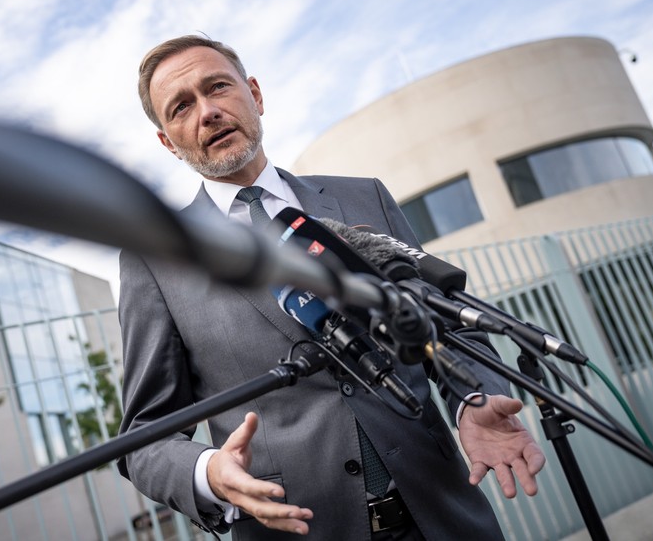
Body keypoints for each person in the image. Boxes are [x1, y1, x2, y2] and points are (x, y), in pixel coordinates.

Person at [117, 35, 546, 540]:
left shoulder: (363, 199)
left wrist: (471, 398)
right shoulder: (156, 262)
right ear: (168, 141)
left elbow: (449, 331)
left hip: (444, 516)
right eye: (182, 106)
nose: (208, 112)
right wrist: (208, 471)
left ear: (254, 95)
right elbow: (145, 439)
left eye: (218, 87)